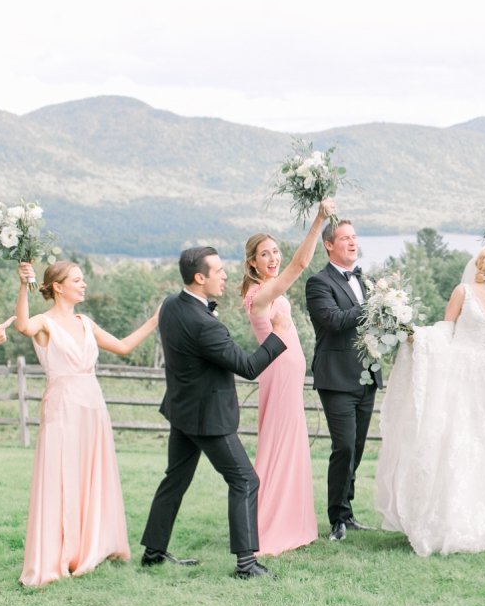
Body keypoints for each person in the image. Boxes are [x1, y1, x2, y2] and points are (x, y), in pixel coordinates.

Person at [375, 242, 485, 555]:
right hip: (456, 379)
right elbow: (444, 334)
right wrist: (415, 336)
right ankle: (447, 520)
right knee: (455, 444)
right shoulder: (463, 291)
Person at [141, 247, 290, 579]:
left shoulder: (170, 305)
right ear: (199, 278)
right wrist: (278, 335)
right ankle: (246, 565)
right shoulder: (205, 325)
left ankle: (153, 552)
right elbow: (249, 367)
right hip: (207, 417)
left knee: (175, 479)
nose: (224, 276)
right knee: (245, 480)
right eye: (219, 271)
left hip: (182, 410)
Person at [14, 261, 158, 587]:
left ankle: (90, 546)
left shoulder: (86, 322)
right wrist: (23, 285)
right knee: (60, 477)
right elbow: (22, 325)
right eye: (77, 280)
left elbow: (123, 346)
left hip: (93, 407)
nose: (84, 285)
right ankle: (57, 553)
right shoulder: (45, 322)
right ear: (58, 286)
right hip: (62, 407)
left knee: (91, 475)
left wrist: (153, 321)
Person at [240, 199, 335, 556]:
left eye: (276, 252)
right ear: (252, 262)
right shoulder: (260, 293)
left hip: (289, 377)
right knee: (278, 447)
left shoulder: (268, 289)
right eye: (265, 254)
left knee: (291, 446)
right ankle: (268, 524)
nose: (273, 258)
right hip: (277, 376)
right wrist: (319, 221)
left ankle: (293, 522)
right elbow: (301, 264)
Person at [306, 219, 383, 542]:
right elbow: (335, 320)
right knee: (343, 447)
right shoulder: (318, 283)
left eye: (354, 237)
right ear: (328, 244)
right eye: (345, 238)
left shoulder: (363, 279)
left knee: (358, 446)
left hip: (366, 375)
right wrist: (373, 305)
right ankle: (336, 518)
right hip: (336, 377)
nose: (353, 242)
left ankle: (347, 511)